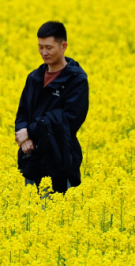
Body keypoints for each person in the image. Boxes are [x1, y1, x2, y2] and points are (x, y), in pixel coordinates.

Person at [14, 21, 89, 194]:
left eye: (49, 47)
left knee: (55, 208)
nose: (43, 52)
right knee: (30, 208)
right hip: (31, 157)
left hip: (59, 158)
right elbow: (23, 113)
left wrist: (30, 132)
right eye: (40, 47)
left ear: (63, 46)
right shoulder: (34, 77)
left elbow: (68, 121)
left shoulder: (76, 80)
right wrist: (25, 138)